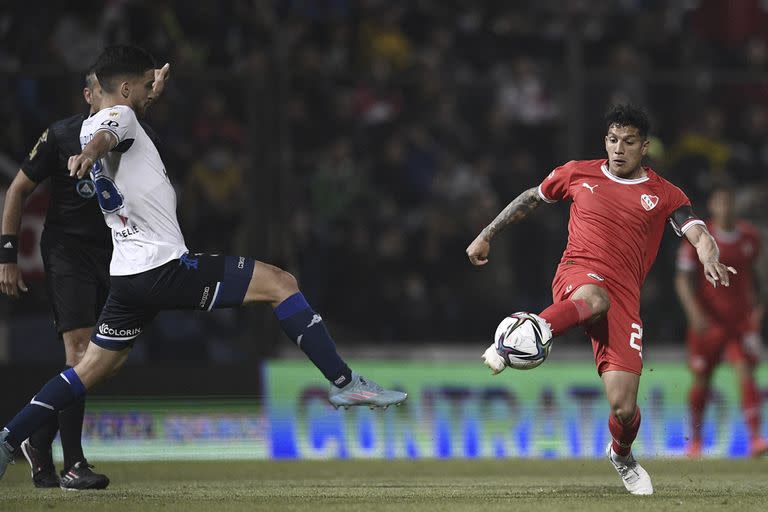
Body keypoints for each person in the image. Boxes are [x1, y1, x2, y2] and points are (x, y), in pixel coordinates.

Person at [0, 44, 406, 481]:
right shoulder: (118, 120)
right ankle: (346, 384)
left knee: (88, 370)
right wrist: (94, 151)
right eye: (142, 86)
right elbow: (111, 131)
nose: (149, 93)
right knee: (280, 283)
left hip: (128, 275)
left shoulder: (90, 127)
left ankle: (7, 441)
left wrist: (110, 130)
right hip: (165, 268)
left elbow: (110, 130)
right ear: (123, 88)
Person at [465, 104, 735, 495]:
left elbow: (696, 231)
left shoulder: (664, 194)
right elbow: (530, 198)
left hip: (625, 299)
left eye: (628, 142)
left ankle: (622, 454)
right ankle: (529, 331)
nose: (618, 149)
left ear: (645, 147)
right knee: (594, 296)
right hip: (578, 275)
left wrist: (710, 254)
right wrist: (487, 232)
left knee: (624, 409)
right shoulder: (578, 172)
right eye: (612, 140)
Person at [0, 65, 166, 489]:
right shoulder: (59, 135)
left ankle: (39, 440)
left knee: (104, 363)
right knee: (79, 354)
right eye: (101, 92)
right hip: (67, 253)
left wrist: (151, 93)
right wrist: (7, 256)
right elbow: (17, 190)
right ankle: (73, 463)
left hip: (116, 254)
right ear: (89, 96)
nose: (111, 101)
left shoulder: (128, 130)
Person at [675, 181, 768, 458]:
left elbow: (760, 277)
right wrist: (695, 314)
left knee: (745, 373)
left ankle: (754, 439)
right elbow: (683, 280)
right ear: (713, 207)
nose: (725, 208)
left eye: (729, 203)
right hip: (709, 321)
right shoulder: (700, 239)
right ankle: (695, 441)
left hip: (740, 321)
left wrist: (759, 309)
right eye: (720, 203)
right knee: (703, 378)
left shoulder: (750, 237)